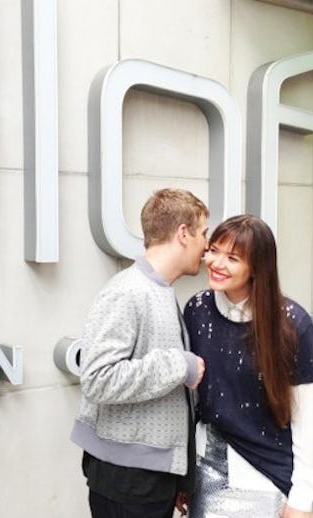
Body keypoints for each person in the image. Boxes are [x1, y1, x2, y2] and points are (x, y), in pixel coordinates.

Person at [70, 188, 210, 518]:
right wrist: (180, 364)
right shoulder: (128, 291)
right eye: (203, 233)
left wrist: (178, 475)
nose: (206, 245)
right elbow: (98, 379)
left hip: (148, 478)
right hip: (128, 481)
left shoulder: (158, 290)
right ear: (183, 234)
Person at [182, 215, 313, 518]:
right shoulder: (197, 310)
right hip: (207, 469)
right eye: (214, 251)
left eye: (232, 258)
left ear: (257, 267)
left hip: (266, 476)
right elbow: (191, 403)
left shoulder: (291, 324)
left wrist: (302, 497)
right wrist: (184, 474)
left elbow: (307, 418)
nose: (217, 263)